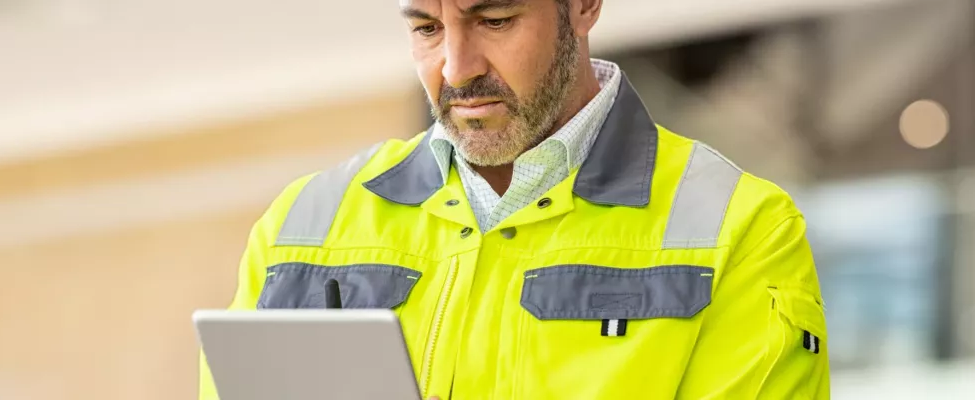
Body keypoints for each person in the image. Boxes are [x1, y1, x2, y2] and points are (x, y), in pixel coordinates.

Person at [198, 0, 830, 398]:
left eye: (494, 20)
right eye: (426, 28)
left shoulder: (741, 229)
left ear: (584, 6)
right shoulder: (302, 222)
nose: (455, 68)